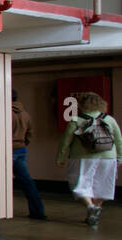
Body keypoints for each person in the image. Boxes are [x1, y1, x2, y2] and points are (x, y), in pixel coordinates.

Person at [56, 91, 122, 228]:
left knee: (79, 184)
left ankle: (91, 207)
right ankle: (93, 213)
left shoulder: (76, 119)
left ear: (82, 104)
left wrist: (61, 157)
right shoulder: (109, 119)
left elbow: (66, 141)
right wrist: (120, 157)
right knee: (103, 186)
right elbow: (119, 140)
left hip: (82, 157)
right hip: (108, 157)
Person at [11, 89, 47, 220]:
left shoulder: (5, 114)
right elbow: (30, 133)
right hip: (21, 149)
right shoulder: (25, 114)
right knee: (27, 182)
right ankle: (38, 211)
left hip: (7, 150)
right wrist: (23, 143)